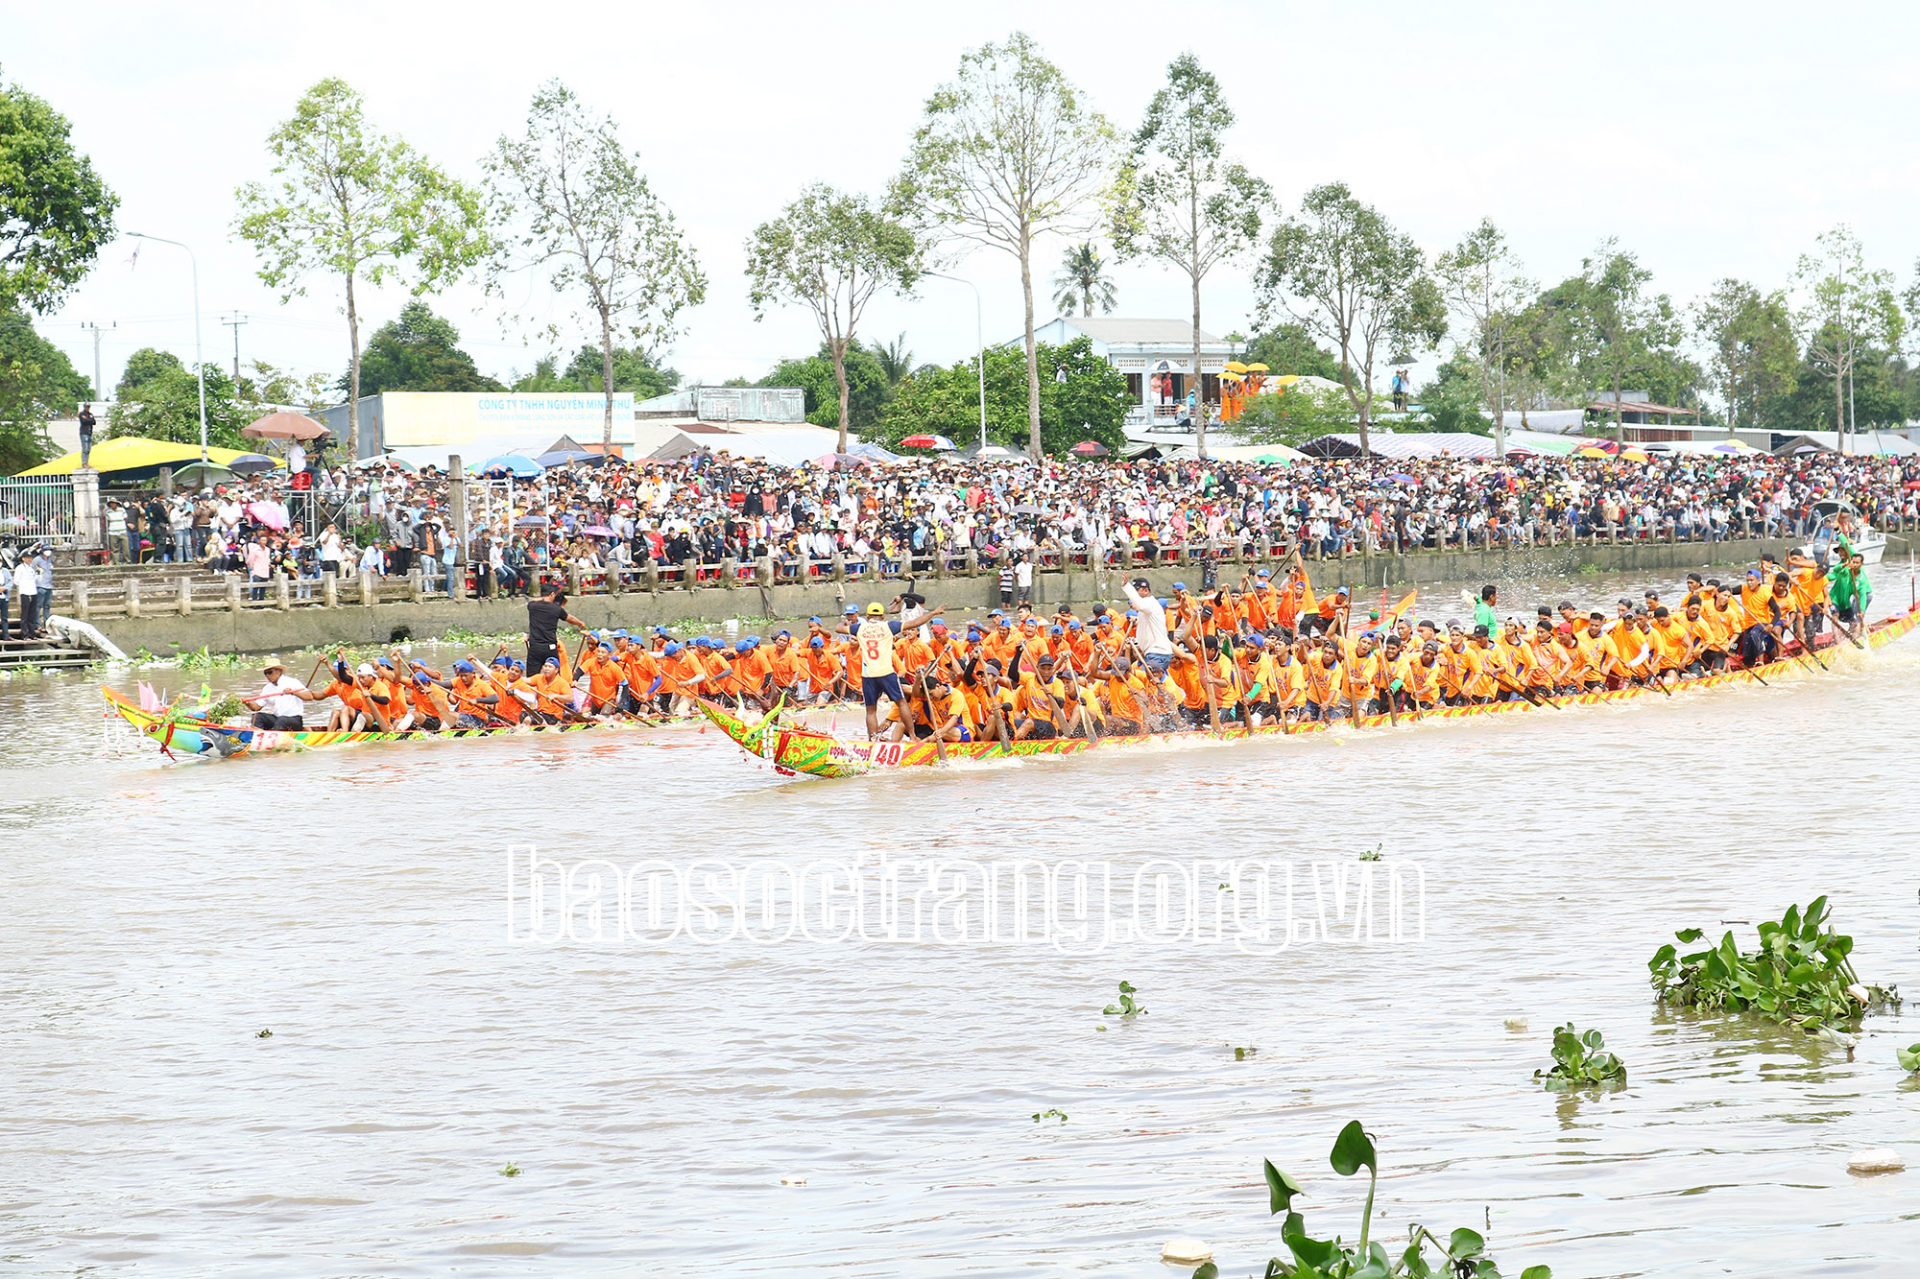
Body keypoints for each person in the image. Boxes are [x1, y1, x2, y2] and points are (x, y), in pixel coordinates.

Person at [526, 584, 585, 673]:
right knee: (553, 676)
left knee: (532, 677)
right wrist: (580, 624)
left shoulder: (532, 606)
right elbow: (571, 619)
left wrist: (542, 598)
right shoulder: (556, 609)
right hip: (550, 648)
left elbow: (534, 601)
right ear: (552, 594)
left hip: (535, 648)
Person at [239, 656, 308, 730]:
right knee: (257, 716)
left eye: (270, 672)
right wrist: (247, 703)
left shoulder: (292, 682)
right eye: (265, 673)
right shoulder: (267, 688)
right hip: (278, 719)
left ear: (279, 671)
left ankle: (272, 734)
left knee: (282, 720)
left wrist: (293, 692)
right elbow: (256, 707)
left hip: (294, 719)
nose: (267, 675)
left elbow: (309, 697)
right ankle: (258, 734)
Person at [13, 550, 37, 638]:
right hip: (24, 592)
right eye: (27, 558)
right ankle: (24, 634)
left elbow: (35, 578)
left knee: (32, 614)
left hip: (33, 591)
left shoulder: (32, 568)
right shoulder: (20, 568)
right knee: (25, 614)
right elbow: (16, 580)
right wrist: (24, 585)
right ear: (23, 559)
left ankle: (31, 633)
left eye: (30, 558)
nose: (29, 559)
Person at [77, 404, 96, 468]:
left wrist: (88, 419)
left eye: (88, 407)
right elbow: (84, 421)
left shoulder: (90, 414)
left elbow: (94, 422)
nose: (87, 408)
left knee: (88, 449)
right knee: (85, 449)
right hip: (84, 433)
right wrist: (89, 420)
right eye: (87, 407)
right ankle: (84, 463)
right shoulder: (81, 414)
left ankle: (87, 462)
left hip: (89, 433)